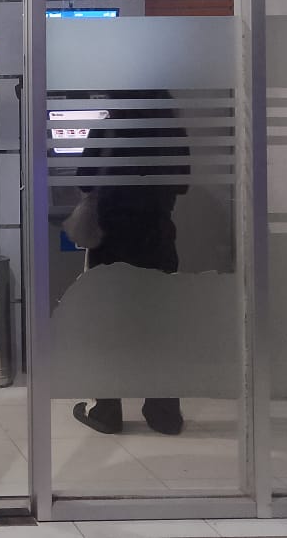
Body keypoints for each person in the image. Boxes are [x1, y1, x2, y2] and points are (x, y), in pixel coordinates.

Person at [70, 90, 189, 436]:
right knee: (159, 327)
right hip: (157, 242)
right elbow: (182, 183)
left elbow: (84, 177)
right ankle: (164, 413)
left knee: (110, 325)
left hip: (113, 243)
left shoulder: (109, 127)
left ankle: (106, 410)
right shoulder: (172, 130)